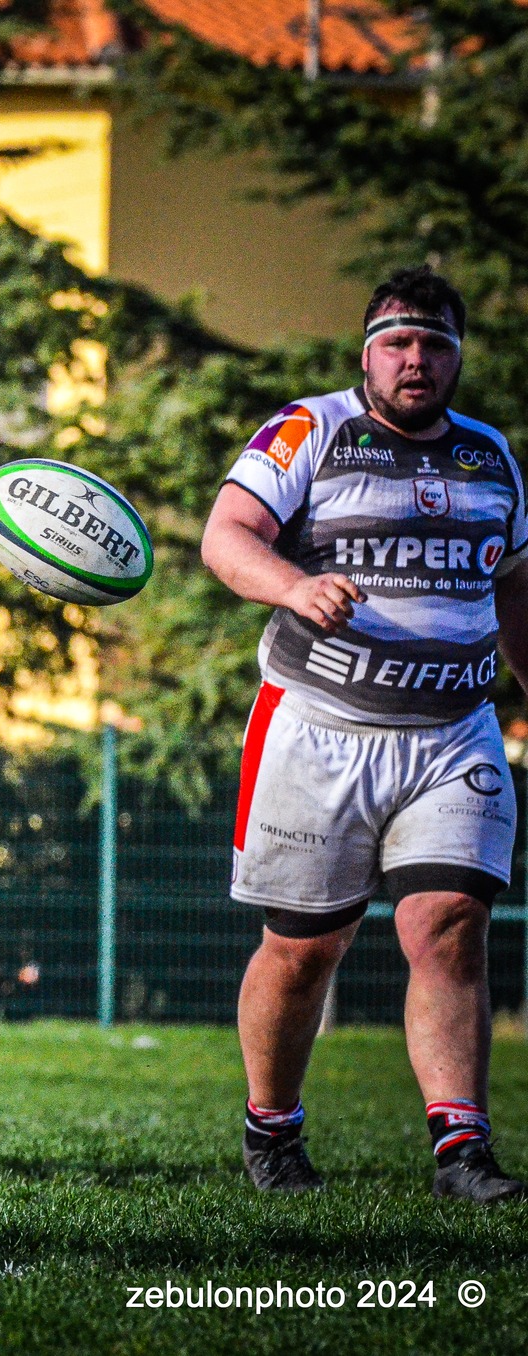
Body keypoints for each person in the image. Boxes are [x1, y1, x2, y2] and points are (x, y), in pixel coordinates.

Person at [203, 264, 525, 1203]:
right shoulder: (309, 430)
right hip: (320, 728)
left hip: (454, 735)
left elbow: (516, 590)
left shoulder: (491, 456)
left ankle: (462, 1150)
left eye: (435, 344)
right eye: (397, 342)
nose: (415, 360)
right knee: (306, 950)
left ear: (458, 358)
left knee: (451, 923)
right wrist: (295, 586)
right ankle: (273, 1126)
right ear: (366, 353)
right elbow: (227, 537)